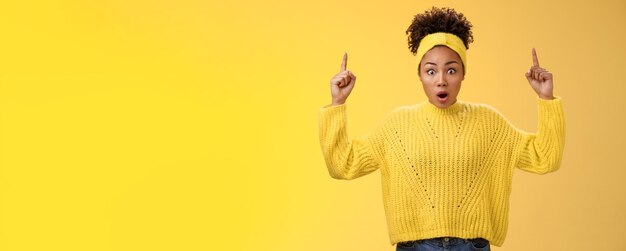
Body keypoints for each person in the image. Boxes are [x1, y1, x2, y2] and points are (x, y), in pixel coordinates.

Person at [318, 6, 565, 251]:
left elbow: (545, 158)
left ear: (463, 74)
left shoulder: (490, 123)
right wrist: (337, 103)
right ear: (420, 75)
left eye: (451, 70)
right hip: (414, 247)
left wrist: (546, 98)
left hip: (472, 246)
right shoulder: (396, 126)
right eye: (431, 71)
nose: (441, 80)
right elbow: (343, 164)